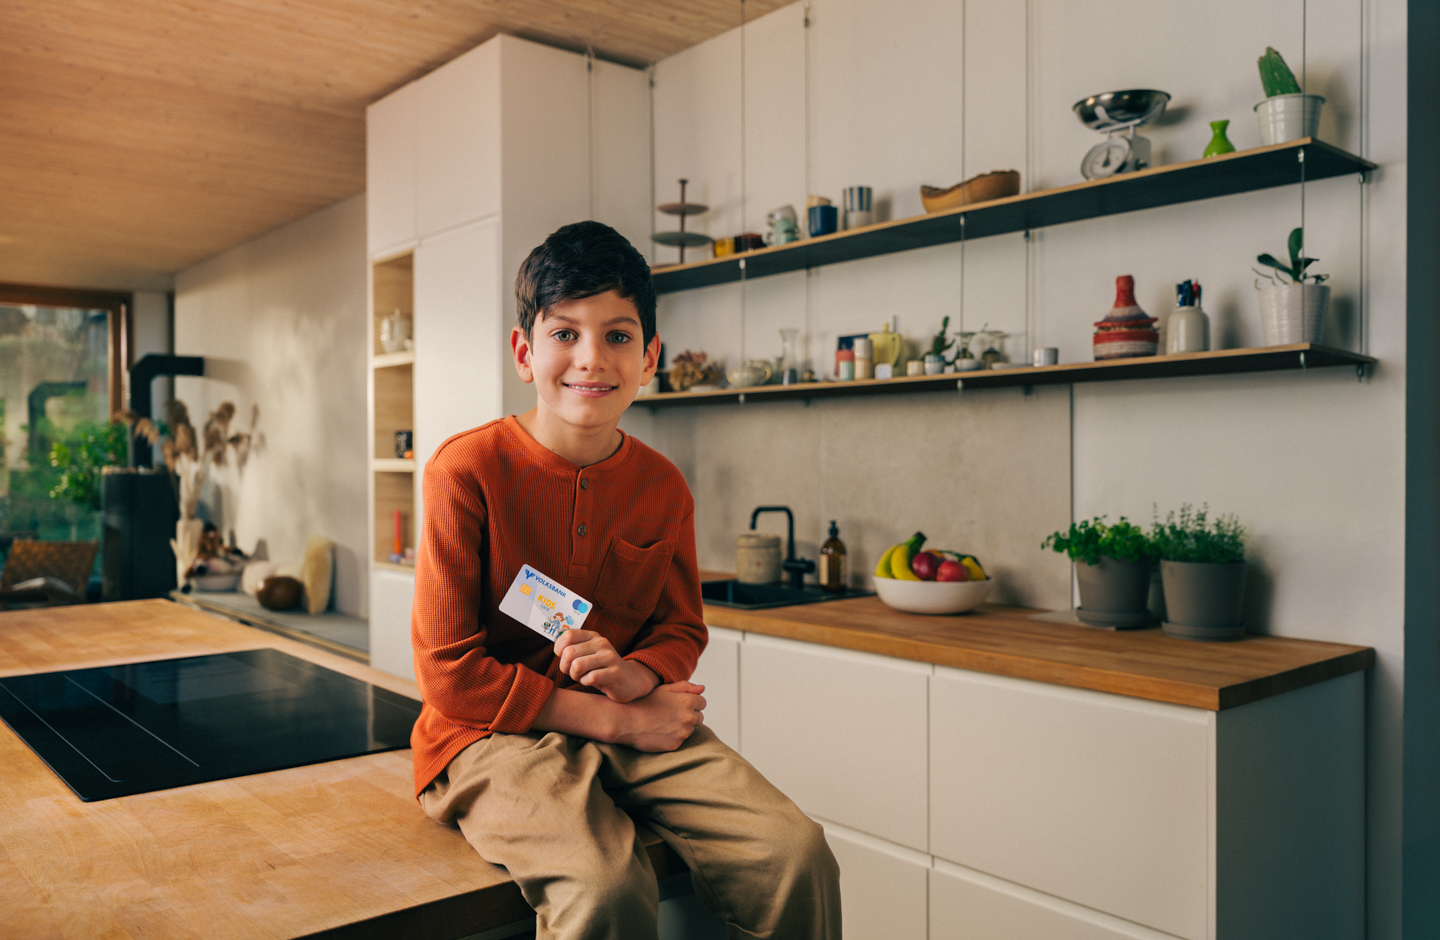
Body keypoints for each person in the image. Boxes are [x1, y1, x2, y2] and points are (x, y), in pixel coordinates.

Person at [410, 220, 841, 940]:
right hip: (483, 738)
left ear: (649, 358)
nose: (591, 358)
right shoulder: (464, 473)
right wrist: (618, 718)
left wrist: (640, 676)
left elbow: (680, 626)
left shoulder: (663, 487)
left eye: (617, 336)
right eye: (565, 333)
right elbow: (450, 677)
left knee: (796, 852)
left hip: (629, 724)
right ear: (525, 352)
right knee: (604, 886)